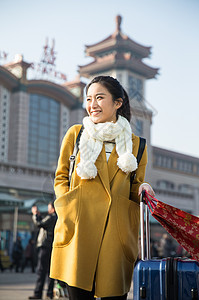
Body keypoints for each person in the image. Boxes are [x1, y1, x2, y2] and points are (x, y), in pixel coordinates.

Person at [50, 76, 155, 300]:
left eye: (100, 97)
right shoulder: (76, 134)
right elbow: (61, 177)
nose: (92, 105)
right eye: (89, 99)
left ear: (118, 102)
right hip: (79, 229)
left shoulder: (137, 145)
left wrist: (144, 186)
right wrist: (68, 208)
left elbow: (135, 185)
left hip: (115, 237)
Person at [29, 202, 57, 300]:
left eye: (49, 208)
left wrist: (35, 214)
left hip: (45, 247)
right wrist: (39, 216)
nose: (48, 210)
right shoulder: (55, 218)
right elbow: (43, 223)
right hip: (51, 247)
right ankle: (49, 294)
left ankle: (38, 293)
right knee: (50, 272)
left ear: (53, 209)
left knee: (41, 271)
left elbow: (39, 223)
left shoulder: (51, 217)